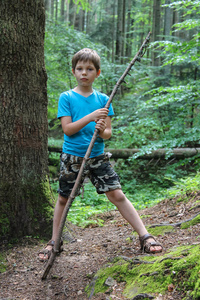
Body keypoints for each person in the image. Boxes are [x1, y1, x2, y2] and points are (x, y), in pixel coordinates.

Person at [39, 48, 162, 261]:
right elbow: (68, 129)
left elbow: (107, 134)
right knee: (63, 198)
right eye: (79, 69)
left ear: (98, 73)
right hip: (72, 158)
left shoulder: (104, 99)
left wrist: (101, 127)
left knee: (117, 194)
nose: (84, 73)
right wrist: (91, 116)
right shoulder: (66, 97)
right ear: (73, 71)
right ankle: (54, 242)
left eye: (89, 69)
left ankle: (145, 236)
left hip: (97, 157)